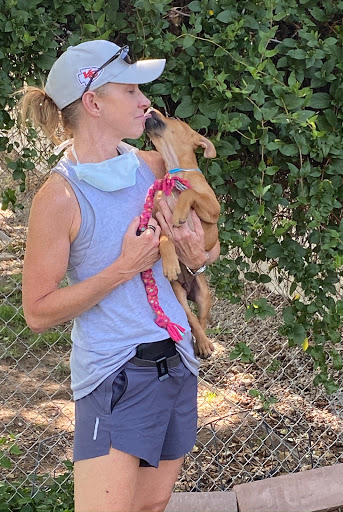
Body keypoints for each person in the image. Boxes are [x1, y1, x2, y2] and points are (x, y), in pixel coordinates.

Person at [19, 40, 220, 512]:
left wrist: (198, 255)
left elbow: (207, 247)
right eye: (130, 91)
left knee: (152, 506)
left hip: (177, 363)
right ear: (93, 102)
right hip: (116, 376)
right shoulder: (60, 197)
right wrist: (123, 269)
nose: (145, 101)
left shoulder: (154, 167)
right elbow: (36, 312)